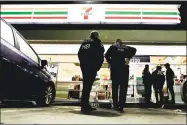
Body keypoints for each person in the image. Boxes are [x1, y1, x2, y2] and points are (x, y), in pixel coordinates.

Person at [105, 39, 137, 112]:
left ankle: (115, 104)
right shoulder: (126, 47)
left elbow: (106, 55)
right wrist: (129, 57)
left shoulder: (113, 47)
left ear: (116, 42)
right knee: (123, 88)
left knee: (115, 87)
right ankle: (121, 105)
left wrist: (111, 62)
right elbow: (134, 49)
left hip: (115, 69)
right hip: (124, 69)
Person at [78, 31, 105, 114]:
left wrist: (83, 64)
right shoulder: (98, 43)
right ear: (96, 36)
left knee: (86, 85)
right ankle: (84, 105)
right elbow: (101, 55)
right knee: (88, 86)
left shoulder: (84, 43)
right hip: (92, 67)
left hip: (85, 67)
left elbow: (79, 54)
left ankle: (84, 104)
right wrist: (97, 67)